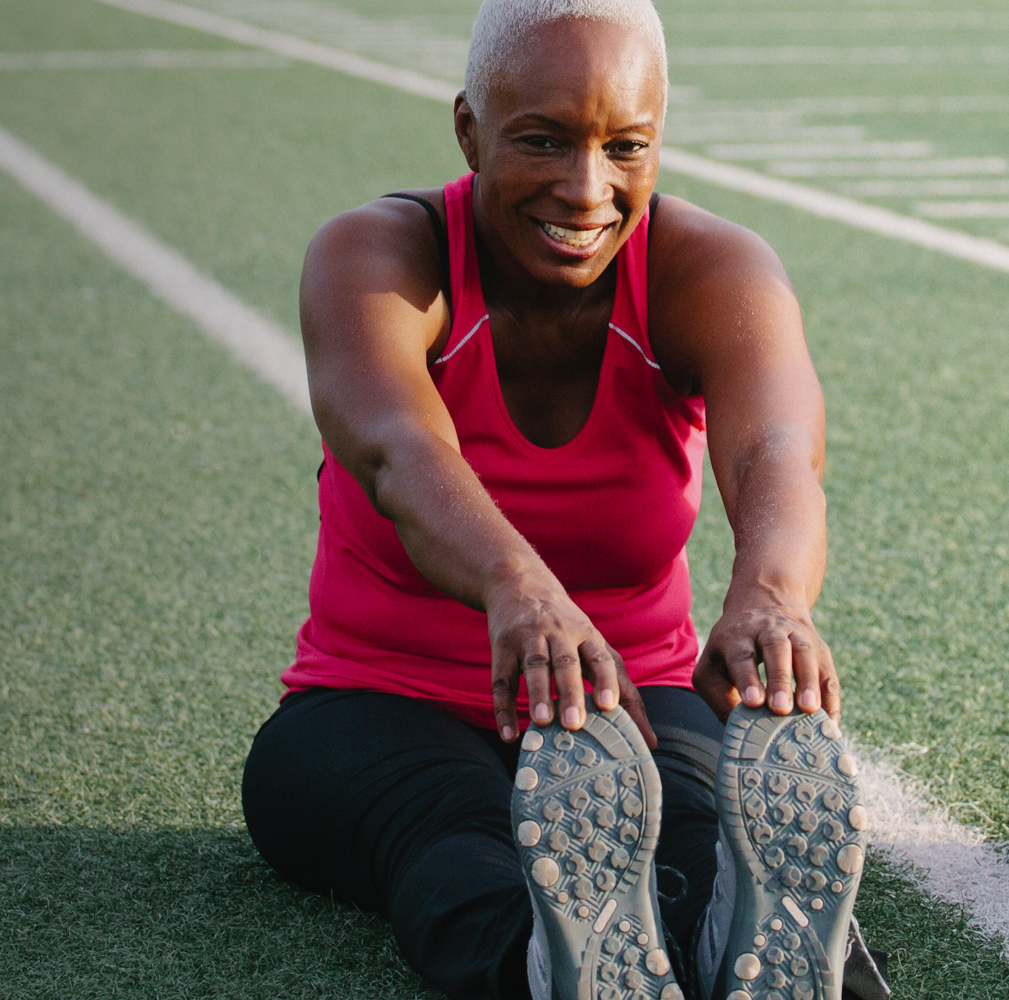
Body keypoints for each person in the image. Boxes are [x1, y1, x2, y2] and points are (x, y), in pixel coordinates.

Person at [236, 2, 886, 999]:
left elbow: (777, 447)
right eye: (540, 140)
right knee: (450, 826)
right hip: (382, 698)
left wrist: (770, 596)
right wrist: (519, 590)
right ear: (467, 130)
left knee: (709, 826)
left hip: (627, 700)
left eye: (624, 147)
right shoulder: (377, 259)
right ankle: (548, 964)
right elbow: (396, 451)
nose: (585, 189)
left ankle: (772, 954)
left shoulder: (707, 269)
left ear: (657, 139)